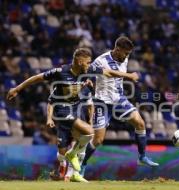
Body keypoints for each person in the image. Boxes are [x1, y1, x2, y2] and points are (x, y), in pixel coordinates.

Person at [7, 47, 139, 182]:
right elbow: (37, 78)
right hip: (62, 111)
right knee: (88, 131)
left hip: (75, 110)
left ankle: (68, 170)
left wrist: (129, 76)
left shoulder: (89, 70)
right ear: (80, 61)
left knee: (85, 136)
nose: (90, 65)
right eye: (88, 62)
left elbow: (109, 72)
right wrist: (17, 89)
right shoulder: (61, 71)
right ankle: (71, 159)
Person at [81, 36, 159, 176]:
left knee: (140, 123)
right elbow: (107, 73)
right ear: (117, 49)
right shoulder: (101, 60)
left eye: (128, 54)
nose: (127, 56)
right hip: (102, 102)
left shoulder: (125, 58)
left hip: (119, 99)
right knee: (98, 140)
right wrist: (129, 76)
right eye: (125, 53)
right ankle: (83, 163)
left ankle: (142, 157)